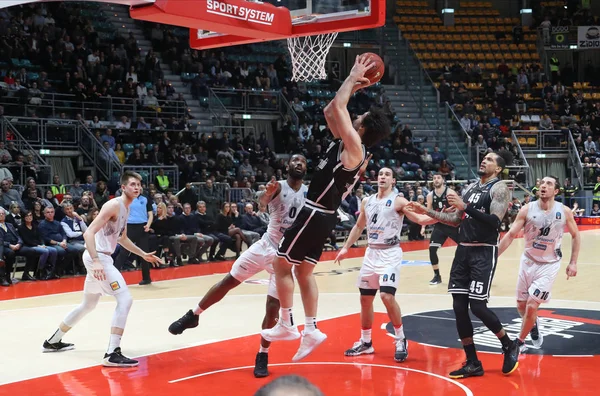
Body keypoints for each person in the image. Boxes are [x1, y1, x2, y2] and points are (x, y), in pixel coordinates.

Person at [261, 54, 391, 362]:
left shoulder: (356, 148)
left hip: (314, 212)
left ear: (360, 127)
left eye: (358, 118)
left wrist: (353, 77)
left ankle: (286, 323)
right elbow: (330, 110)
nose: (353, 117)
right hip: (322, 216)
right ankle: (311, 330)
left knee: (281, 266)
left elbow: (339, 108)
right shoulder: (348, 144)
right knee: (304, 272)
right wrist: (353, 86)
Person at [168, 155, 308, 378]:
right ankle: (193, 315)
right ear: (287, 166)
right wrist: (265, 194)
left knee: (272, 308)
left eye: (302, 162)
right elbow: (262, 199)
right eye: (294, 161)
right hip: (265, 246)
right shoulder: (278, 187)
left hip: (284, 257)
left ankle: (262, 354)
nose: (298, 164)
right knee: (228, 281)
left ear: (306, 168)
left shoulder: (308, 192)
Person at [409, 151, 520, 378]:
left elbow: (494, 222)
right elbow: (455, 219)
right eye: (484, 158)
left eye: (489, 159)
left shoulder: (499, 188)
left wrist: (465, 206)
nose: (484, 160)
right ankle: (472, 361)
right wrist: (426, 212)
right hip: (463, 250)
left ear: (498, 169)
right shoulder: (469, 188)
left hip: (483, 251)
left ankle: (509, 344)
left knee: (477, 306)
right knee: (459, 308)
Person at [42, 171, 163, 367]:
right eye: (132, 184)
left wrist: (142, 254)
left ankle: (53, 341)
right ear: (123, 187)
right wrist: (97, 261)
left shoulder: (127, 209)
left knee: (88, 305)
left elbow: (122, 239)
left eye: (139, 184)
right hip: (97, 257)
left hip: (98, 257)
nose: (137, 187)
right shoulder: (113, 205)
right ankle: (111, 353)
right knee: (125, 299)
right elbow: (89, 233)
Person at [334, 167, 436, 362]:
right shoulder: (367, 201)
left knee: (386, 295)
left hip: (390, 253)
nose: (382, 176)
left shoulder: (399, 201)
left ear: (393, 181)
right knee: (365, 300)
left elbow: (420, 218)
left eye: (387, 175)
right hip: (371, 252)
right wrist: (346, 247)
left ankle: (400, 339)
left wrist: (442, 217)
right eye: (380, 174)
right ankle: (366, 342)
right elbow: (358, 226)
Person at [498, 176, 579, 352]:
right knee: (521, 305)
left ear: (556, 191)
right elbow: (511, 235)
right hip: (527, 261)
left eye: (548, 184)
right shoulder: (527, 210)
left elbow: (575, 235)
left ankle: (518, 343)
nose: (543, 186)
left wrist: (573, 262)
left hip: (549, 264)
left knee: (532, 305)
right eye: (542, 183)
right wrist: (493, 256)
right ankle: (533, 324)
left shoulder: (564, 212)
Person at [426, 173, 460, 285]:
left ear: (443, 180)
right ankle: (437, 276)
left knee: (465, 249)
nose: (436, 180)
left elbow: (460, 208)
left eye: (438, 178)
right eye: (434, 178)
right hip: (440, 225)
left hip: (452, 224)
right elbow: (428, 212)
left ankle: (467, 273)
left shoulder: (450, 193)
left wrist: (453, 211)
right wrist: (423, 226)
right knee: (432, 249)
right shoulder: (430, 195)